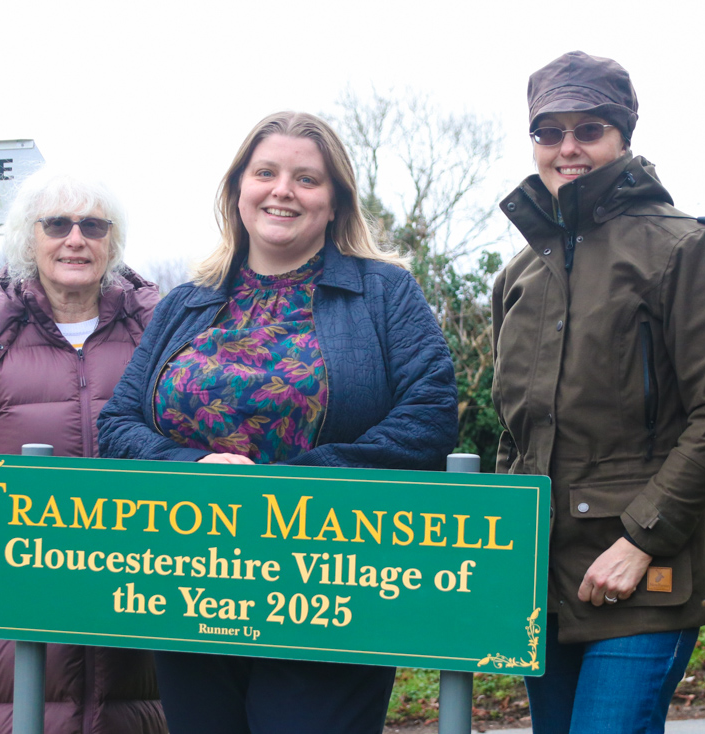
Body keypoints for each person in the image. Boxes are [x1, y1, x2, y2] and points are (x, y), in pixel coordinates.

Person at [97, 111, 458, 734]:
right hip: (192, 587)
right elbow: (119, 424)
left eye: (306, 178)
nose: (282, 190)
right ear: (239, 189)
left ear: (335, 200)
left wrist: (286, 485)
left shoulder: (386, 294)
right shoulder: (186, 303)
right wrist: (194, 466)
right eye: (266, 172)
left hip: (333, 585)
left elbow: (428, 419)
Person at [492, 51, 705, 733]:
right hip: (539, 584)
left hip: (641, 575)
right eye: (548, 132)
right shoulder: (517, 274)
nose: (566, 148)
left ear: (623, 136)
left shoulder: (686, 251)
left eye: (588, 129)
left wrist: (641, 537)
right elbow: (510, 435)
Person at [0, 168, 167, 734]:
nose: (76, 239)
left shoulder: (163, 346)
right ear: (30, 238)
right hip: (11, 651)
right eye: (57, 224)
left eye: (93, 226)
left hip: (134, 631)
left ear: (112, 243)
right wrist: (31, 561)